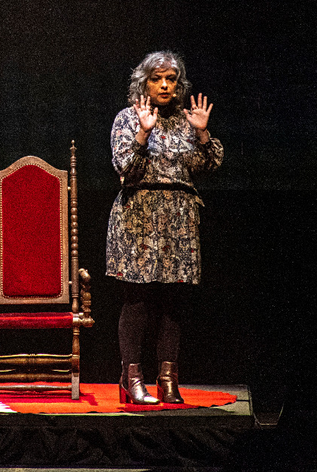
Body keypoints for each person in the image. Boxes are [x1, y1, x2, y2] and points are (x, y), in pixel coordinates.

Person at [106, 51, 224, 404]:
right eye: (158, 78)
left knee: (173, 302)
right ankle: (132, 379)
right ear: (144, 82)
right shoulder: (127, 119)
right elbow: (126, 168)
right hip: (138, 219)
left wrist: (202, 135)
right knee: (138, 301)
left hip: (178, 221)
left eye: (171, 79)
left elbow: (210, 164)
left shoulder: (188, 121)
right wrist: (143, 133)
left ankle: (168, 380)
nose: (164, 85)